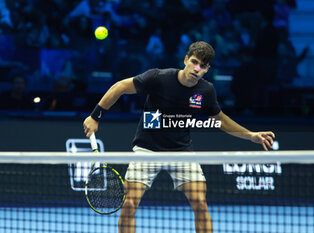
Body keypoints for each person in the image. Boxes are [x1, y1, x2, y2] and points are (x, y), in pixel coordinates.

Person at [83, 41, 275, 233]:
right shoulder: (158, 78)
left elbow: (221, 120)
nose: (197, 68)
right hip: (147, 150)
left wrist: (251, 136)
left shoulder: (206, 91)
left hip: (181, 151)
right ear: (186, 59)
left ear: (207, 69)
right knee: (130, 203)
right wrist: (95, 116)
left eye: (203, 66)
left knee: (200, 202)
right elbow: (120, 86)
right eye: (194, 62)